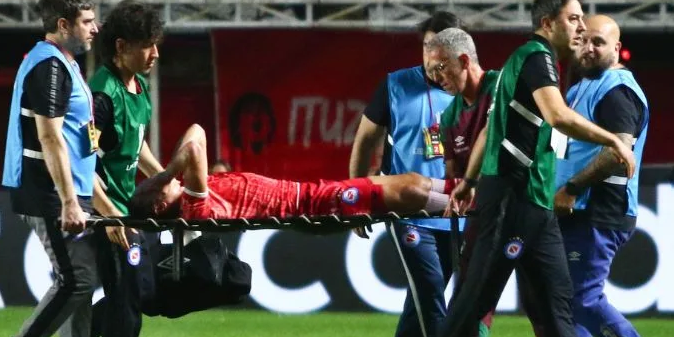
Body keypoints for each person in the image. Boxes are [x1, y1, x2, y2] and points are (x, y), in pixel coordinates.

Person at [407, 0, 637, 337]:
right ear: (548, 24)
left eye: (583, 19)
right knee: (477, 293)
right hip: (513, 194)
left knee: (556, 295)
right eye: (573, 19)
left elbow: (488, 130)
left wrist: (468, 179)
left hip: (534, 199)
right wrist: (615, 142)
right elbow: (558, 116)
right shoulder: (536, 57)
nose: (582, 27)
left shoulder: (525, 63)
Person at [521, 15, 674, 337]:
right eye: (584, 41)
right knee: (564, 299)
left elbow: (618, 151)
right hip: (575, 208)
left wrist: (572, 187)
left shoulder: (617, 91)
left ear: (617, 46)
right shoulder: (582, 87)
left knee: (580, 297)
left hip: (597, 209)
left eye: (599, 42)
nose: (589, 48)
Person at [0, 0, 127, 337]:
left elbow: (79, 143)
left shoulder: (64, 65)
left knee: (81, 282)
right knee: (77, 279)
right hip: (47, 191)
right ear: (62, 25)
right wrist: (68, 200)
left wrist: (101, 205)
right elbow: (49, 136)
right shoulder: (49, 67)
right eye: (87, 21)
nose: (95, 28)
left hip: (66, 190)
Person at [349, 11, 489, 337]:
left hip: (452, 211)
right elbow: (364, 142)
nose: (431, 56)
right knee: (429, 293)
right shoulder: (396, 84)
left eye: (438, 47)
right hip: (406, 210)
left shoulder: (468, 91)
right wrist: (357, 196)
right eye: (426, 45)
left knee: (421, 301)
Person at [36, 0, 164, 337]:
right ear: (122, 46)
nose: (155, 53)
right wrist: (107, 215)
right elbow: (82, 160)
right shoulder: (103, 96)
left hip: (126, 210)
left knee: (132, 297)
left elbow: (137, 145)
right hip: (108, 212)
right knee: (126, 299)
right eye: (148, 45)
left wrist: (165, 181)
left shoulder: (138, 89)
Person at [130, 124, 448, 221]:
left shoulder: (187, 195)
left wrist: (165, 176)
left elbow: (197, 131)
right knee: (403, 192)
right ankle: (459, 204)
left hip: (307, 195)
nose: (163, 180)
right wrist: (167, 172)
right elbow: (195, 147)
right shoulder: (193, 209)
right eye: (157, 186)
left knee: (402, 182)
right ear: (160, 205)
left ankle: (459, 189)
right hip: (307, 207)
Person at [423, 28, 498, 337]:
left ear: (464, 61)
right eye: (432, 72)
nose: (437, 79)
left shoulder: (502, 86)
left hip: (527, 210)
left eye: (441, 69)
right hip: (484, 219)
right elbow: (453, 173)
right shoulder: (449, 115)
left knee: (553, 304)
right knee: (470, 298)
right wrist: (453, 193)